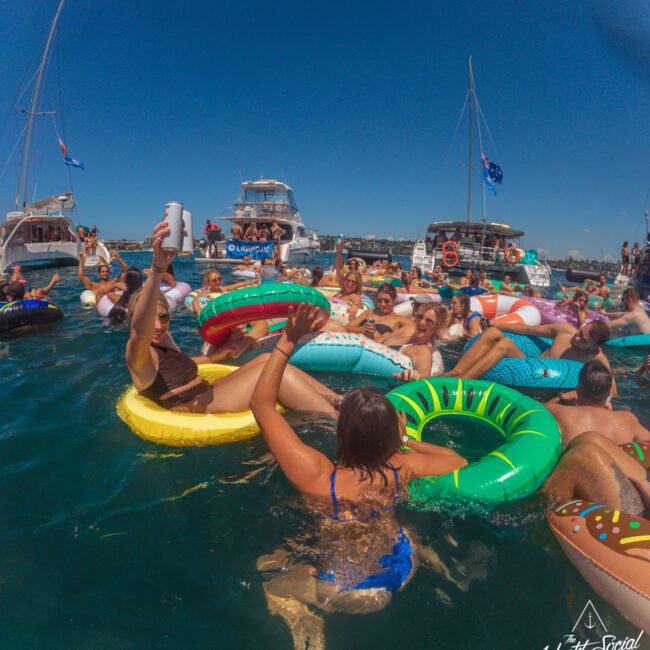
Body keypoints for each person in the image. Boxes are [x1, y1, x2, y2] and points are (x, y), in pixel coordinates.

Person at [249, 304, 468, 649]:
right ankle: (431, 557)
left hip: (338, 590)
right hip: (399, 571)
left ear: (343, 432)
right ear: (389, 437)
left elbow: (261, 405)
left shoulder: (319, 476)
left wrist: (288, 340)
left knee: (270, 567)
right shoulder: (400, 467)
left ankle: (299, 614)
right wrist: (405, 440)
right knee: (396, 526)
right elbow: (457, 460)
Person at [125, 220, 339, 416]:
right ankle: (339, 423)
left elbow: (179, 364)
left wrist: (219, 354)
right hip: (193, 405)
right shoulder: (138, 351)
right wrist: (157, 269)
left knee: (267, 360)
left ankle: (340, 400)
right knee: (278, 375)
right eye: (151, 319)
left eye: (163, 317)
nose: (159, 325)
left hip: (208, 390)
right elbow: (140, 331)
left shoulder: (164, 337)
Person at [444, 319, 613, 385]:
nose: (576, 339)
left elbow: (610, 387)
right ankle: (456, 371)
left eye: (582, 341)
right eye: (579, 332)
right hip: (529, 365)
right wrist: (498, 324)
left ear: (592, 346)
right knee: (494, 334)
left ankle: (461, 383)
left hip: (542, 382)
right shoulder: (564, 331)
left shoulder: (596, 357)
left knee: (505, 344)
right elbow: (528, 329)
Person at [544, 361, 649, 447]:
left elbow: (539, 409)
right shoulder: (627, 419)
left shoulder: (560, 413)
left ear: (578, 390)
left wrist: (561, 397)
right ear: (609, 393)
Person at [392, 301, 448, 380]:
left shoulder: (423, 350)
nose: (421, 323)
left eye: (429, 321)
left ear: (437, 328)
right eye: (420, 317)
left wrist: (415, 375)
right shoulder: (408, 332)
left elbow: (424, 373)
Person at [345, 283, 411, 342]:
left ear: (395, 300)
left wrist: (386, 337)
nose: (383, 304)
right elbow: (347, 326)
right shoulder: (369, 312)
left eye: (386, 301)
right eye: (379, 301)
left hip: (372, 348)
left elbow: (414, 330)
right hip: (354, 341)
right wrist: (361, 330)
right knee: (336, 324)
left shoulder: (399, 319)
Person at [191, 270, 259, 315]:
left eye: (219, 279)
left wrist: (250, 282)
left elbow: (235, 285)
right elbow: (195, 300)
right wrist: (200, 314)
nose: (218, 282)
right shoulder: (206, 292)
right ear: (208, 282)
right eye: (214, 280)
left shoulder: (223, 289)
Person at [333, 241, 364, 314]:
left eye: (354, 282)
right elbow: (338, 268)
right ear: (344, 281)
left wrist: (355, 306)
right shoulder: (343, 289)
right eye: (348, 280)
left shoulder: (354, 296)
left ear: (357, 285)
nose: (350, 283)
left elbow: (358, 303)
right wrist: (339, 251)